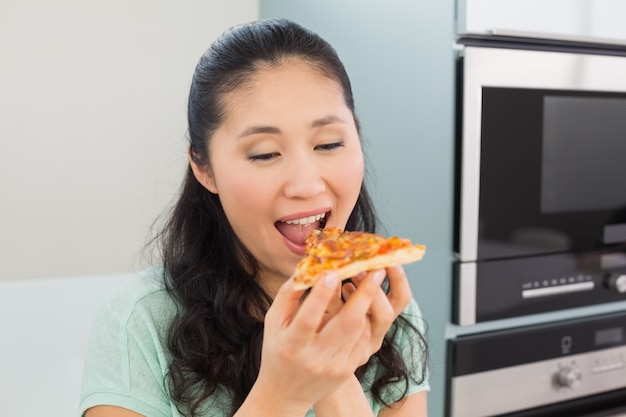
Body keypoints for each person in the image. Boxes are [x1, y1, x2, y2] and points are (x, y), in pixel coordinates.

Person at [79, 18, 429, 417]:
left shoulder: (383, 309)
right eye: (264, 153)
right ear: (204, 168)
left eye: (329, 143)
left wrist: (335, 375)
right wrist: (282, 395)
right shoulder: (138, 321)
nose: (305, 184)